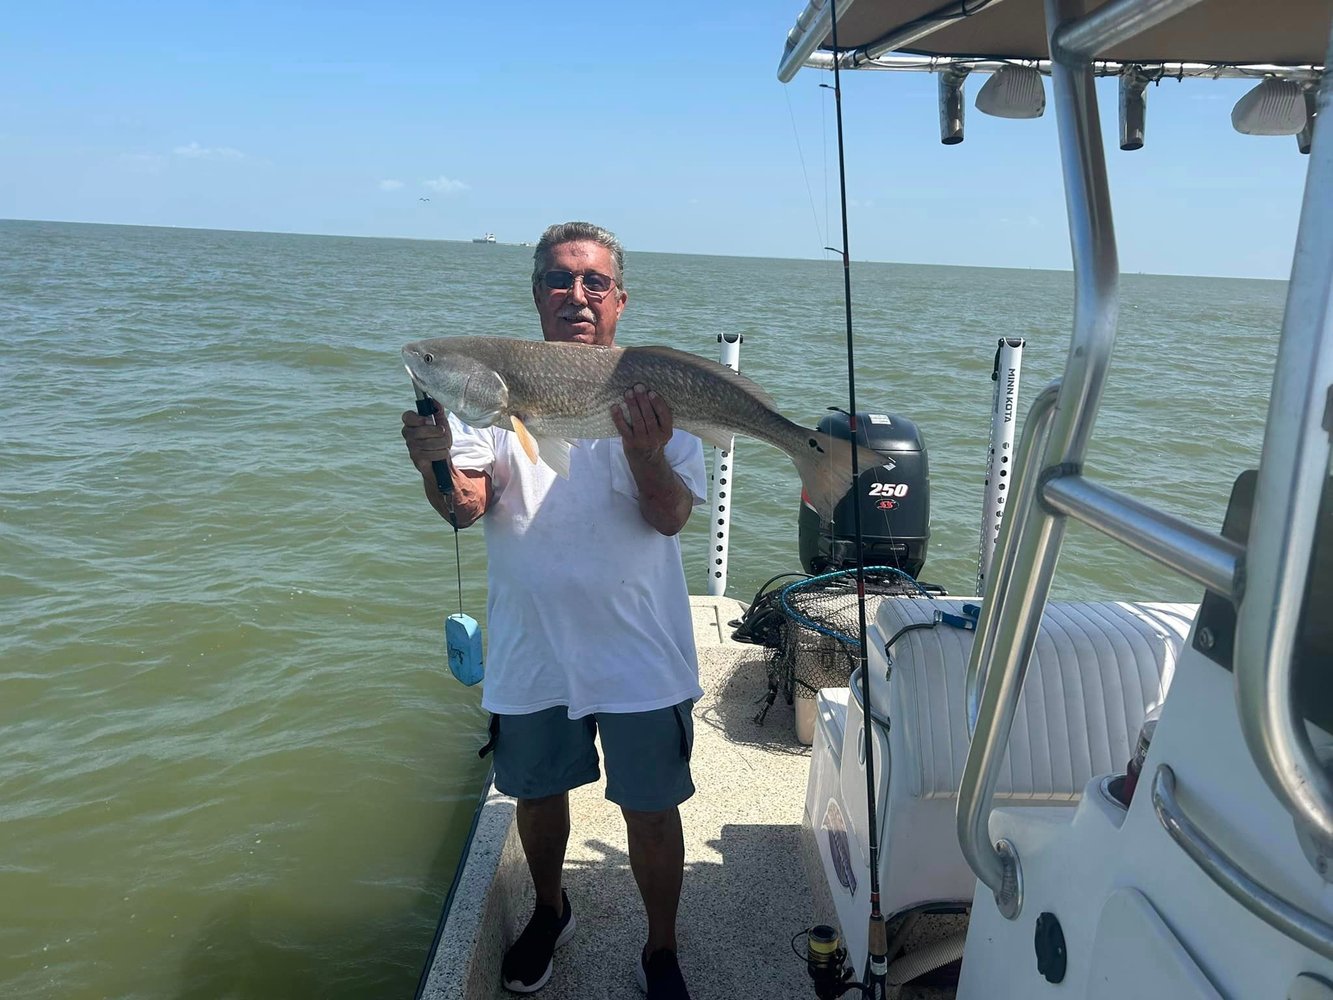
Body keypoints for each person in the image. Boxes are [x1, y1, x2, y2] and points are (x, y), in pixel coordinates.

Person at [401, 221, 705, 999]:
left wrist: (644, 452)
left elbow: (670, 517)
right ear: (537, 294)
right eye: (561, 280)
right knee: (534, 795)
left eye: (593, 281)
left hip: (639, 650)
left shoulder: (655, 394)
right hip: (533, 648)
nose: (577, 294)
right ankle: (548, 909)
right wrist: (435, 459)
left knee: (651, 806)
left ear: (619, 298)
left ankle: (662, 949)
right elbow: (465, 507)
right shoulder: (487, 395)